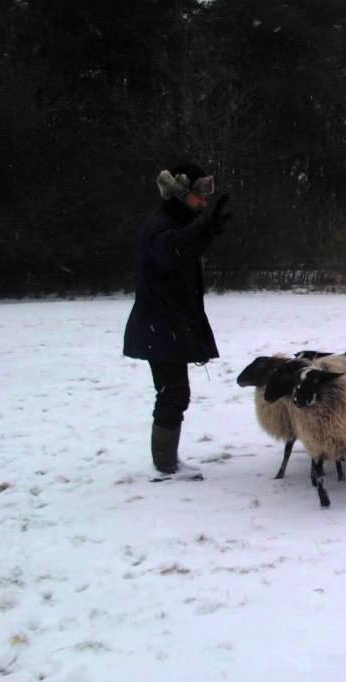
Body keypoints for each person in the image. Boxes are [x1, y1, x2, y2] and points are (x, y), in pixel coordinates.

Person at [123, 163, 232, 479]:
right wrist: (203, 231)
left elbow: (181, 247)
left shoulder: (172, 224)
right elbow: (172, 250)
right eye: (199, 196)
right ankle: (165, 467)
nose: (203, 203)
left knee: (174, 393)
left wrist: (203, 232)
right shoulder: (161, 227)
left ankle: (167, 463)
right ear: (181, 194)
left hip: (163, 326)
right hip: (159, 327)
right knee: (172, 394)